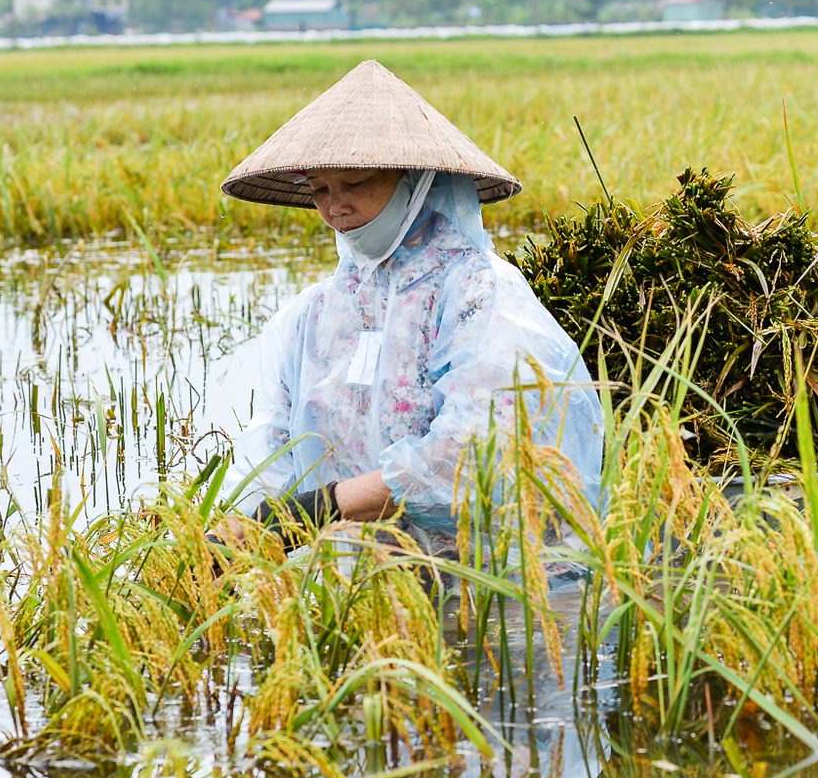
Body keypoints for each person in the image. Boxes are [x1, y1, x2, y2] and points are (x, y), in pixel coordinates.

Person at [222, 59, 602, 554]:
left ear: (414, 179)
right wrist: (240, 527)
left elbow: (476, 455)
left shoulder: (480, 292)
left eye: (354, 184)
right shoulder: (311, 315)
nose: (335, 206)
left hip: (483, 584)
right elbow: (275, 444)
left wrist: (328, 504)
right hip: (358, 580)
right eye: (319, 188)